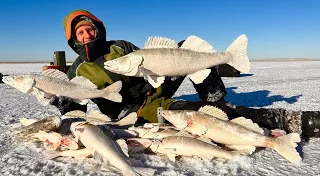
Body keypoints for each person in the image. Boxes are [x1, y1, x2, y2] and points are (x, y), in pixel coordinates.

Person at [50, 9, 320, 139]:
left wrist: (154, 73)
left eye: (89, 29)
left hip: (155, 86)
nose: (86, 35)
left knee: (183, 49)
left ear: (98, 28)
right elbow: (75, 104)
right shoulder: (77, 69)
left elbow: (148, 57)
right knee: (212, 115)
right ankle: (281, 119)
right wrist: (58, 96)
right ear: (72, 39)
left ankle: (214, 96)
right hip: (139, 112)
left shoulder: (121, 46)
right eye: (79, 33)